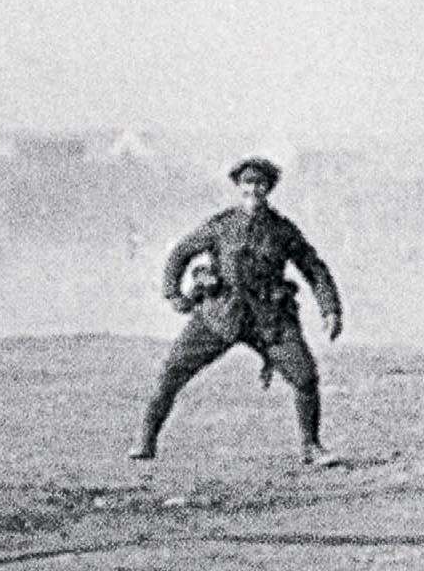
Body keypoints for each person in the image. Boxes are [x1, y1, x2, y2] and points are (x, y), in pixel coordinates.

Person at [130, 157, 344, 466]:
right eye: (247, 183)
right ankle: (145, 440)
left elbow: (314, 268)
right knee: (173, 370)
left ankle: (311, 446)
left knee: (305, 377)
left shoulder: (282, 230)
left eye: (260, 184)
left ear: (268, 188)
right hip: (219, 313)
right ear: (239, 187)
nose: (253, 189)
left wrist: (330, 310)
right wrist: (173, 294)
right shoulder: (221, 225)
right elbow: (180, 253)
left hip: (269, 319)